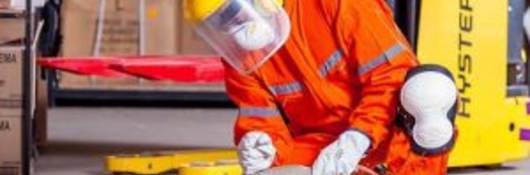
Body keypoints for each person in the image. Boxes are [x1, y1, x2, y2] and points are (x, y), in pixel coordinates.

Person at [183, 0, 457, 174]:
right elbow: (260, 117)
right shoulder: (241, 54)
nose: (234, 29)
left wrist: (357, 138)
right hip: (321, 143)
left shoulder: (339, 4)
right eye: (219, 23)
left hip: (384, 128)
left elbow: (391, 75)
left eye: (233, 14)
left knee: (428, 91)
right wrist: (259, 144)